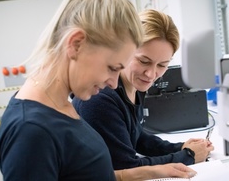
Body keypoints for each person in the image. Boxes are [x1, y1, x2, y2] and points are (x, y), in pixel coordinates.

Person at [0, 0, 197, 181]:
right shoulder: (31, 131)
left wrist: (151, 170)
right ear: (76, 44)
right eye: (112, 67)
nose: (113, 82)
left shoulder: (56, 107)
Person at [72, 9, 214, 170]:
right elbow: (127, 168)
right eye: (144, 61)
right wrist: (188, 156)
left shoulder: (135, 85)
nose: (151, 74)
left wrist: (179, 147)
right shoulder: (100, 98)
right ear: (123, 51)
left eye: (162, 65)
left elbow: (135, 136)